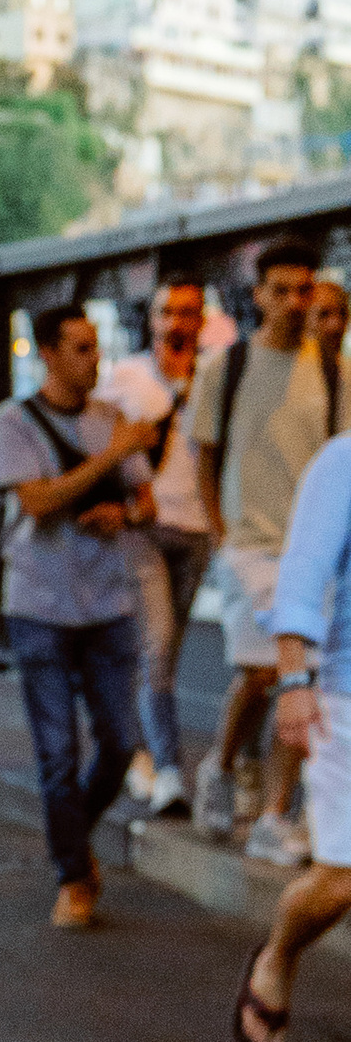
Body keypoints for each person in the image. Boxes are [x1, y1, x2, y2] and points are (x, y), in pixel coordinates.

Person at [0, 303, 153, 930]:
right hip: (40, 605)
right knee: (57, 751)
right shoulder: (14, 422)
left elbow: (145, 499)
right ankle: (74, 878)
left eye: (97, 347)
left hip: (109, 602)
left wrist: (126, 516)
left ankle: (71, 838)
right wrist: (112, 457)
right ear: (47, 354)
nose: (94, 360)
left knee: (119, 741)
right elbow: (38, 501)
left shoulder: (111, 419)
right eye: (80, 348)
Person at [186, 236, 336, 861]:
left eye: (305, 289)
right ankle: (220, 767)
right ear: (259, 296)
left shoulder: (333, 368)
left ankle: (275, 813)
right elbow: (205, 456)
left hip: (312, 550)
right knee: (262, 672)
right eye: (282, 290)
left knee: (297, 676)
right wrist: (221, 534)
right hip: (249, 545)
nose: (295, 302)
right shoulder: (228, 368)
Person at [231, 415, 351, 1042]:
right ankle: (278, 956)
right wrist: (294, 679)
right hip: (346, 695)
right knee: (340, 880)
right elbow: (302, 575)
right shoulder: (343, 462)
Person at [96, 278, 213, 820]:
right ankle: (168, 770)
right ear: (152, 319)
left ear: (202, 319)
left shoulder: (215, 375)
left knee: (163, 652)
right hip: (143, 528)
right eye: (168, 312)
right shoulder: (126, 378)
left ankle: (137, 748)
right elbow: (94, 441)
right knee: (158, 647)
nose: (177, 322)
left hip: (198, 531)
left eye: (188, 312)